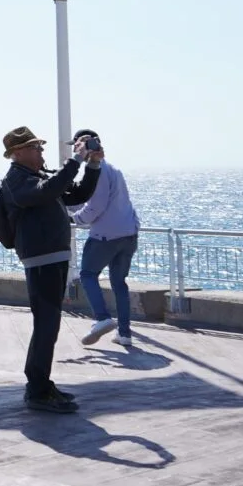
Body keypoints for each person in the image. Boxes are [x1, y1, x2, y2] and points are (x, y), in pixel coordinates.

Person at [0, 126, 101, 414]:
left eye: (41, 147)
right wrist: (75, 160)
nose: (42, 152)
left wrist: (93, 163)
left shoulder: (36, 177)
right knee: (46, 324)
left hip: (52, 257)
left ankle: (41, 385)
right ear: (18, 154)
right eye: (36, 148)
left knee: (49, 324)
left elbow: (77, 194)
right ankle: (37, 389)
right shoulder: (16, 181)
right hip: (41, 260)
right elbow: (50, 190)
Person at [69, 130, 141, 348]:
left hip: (105, 236)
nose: (75, 148)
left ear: (87, 144)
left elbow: (96, 206)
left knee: (87, 274)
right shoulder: (114, 170)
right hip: (128, 233)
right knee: (119, 283)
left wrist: (75, 219)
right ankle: (125, 333)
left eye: (78, 144)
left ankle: (102, 318)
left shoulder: (99, 171)